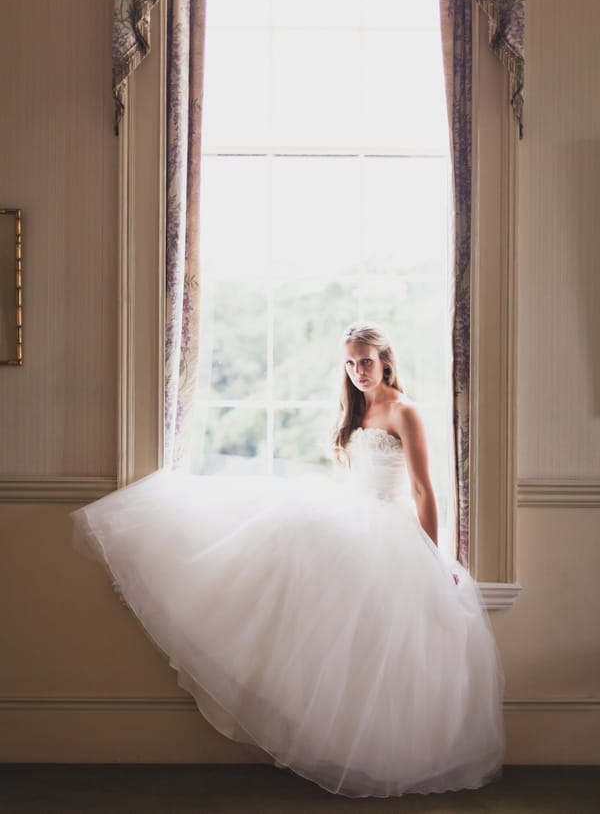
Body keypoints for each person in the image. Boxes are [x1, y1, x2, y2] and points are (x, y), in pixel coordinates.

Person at [72, 321, 504, 798]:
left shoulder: (404, 411)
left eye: (366, 360)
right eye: (350, 361)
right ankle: (338, 743)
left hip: (390, 529)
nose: (359, 370)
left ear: (385, 362)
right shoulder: (353, 410)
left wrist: (431, 555)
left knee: (387, 648)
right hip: (355, 516)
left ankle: (387, 757)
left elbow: (423, 489)